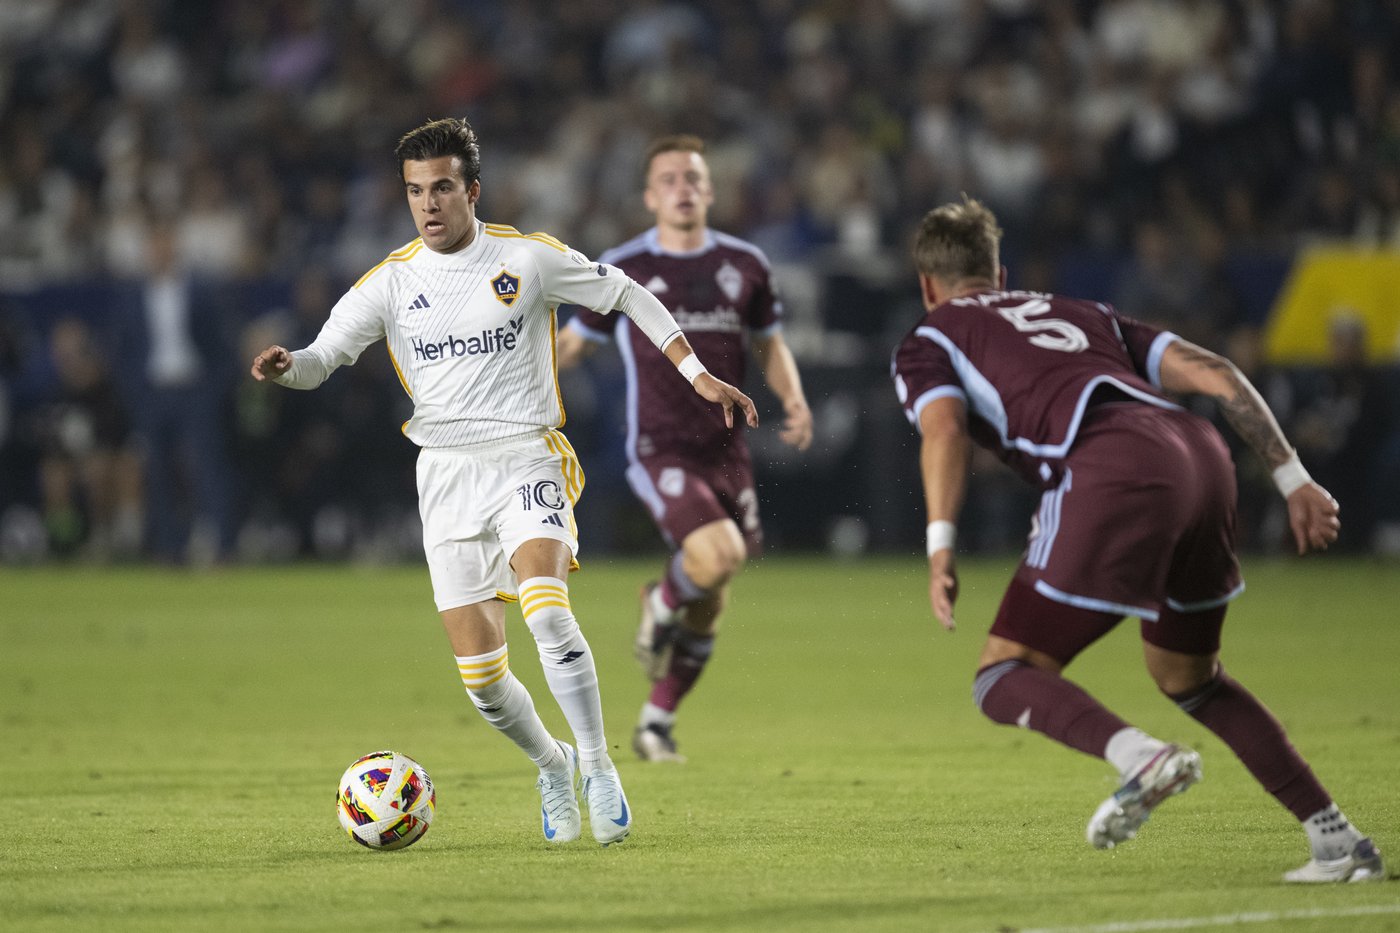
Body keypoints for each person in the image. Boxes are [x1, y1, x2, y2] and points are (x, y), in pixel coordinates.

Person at [251, 118, 758, 846]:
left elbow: (630, 296)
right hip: (446, 474)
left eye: (443, 188)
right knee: (483, 682)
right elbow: (322, 358)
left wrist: (699, 373)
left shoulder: (529, 259)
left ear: (472, 190)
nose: (428, 204)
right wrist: (285, 367)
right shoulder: (390, 284)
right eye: (415, 191)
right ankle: (551, 764)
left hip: (526, 454)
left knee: (547, 612)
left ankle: (596, 762)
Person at [891, 196, 1384, 883]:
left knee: (1003, 674)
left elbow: (942, 430)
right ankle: (1337, 839)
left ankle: (1140, 758)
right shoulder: (1083, 312)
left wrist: (940, 544)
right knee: (1190, 677)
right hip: (1203, 457)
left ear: (926, 285)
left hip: (1111, 466)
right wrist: (1294, 478)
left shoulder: (930, 338)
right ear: (999, 274)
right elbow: (1218, 373)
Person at [556, 134, 812, 763]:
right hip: (660, 446)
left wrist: (795, 398)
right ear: (649, 196)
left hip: (727, 450)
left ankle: (654, 724)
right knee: (716, 557)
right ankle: (658, 598)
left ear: (710, 189)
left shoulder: (746, 264)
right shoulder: (624, 266)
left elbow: (769, 344)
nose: (683, 188)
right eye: (669, 178)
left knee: (714, 594)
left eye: (693, 177)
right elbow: (572, 344)